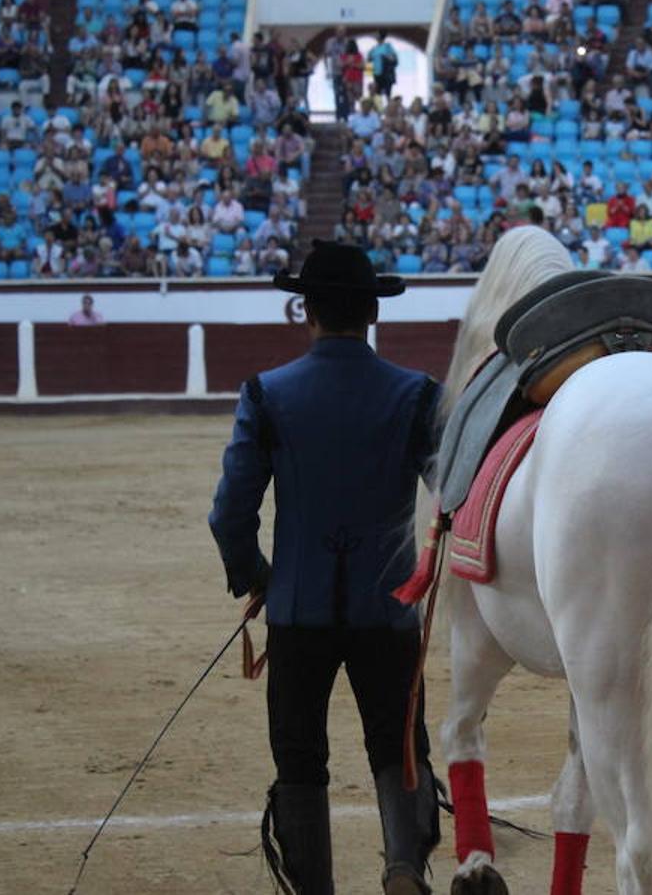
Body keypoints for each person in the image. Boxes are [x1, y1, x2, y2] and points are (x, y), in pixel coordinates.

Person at [209, 240, 441, 895]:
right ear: (372, 313)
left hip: (298, 609)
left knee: (300, 758)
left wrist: (256, 574)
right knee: (398, 747)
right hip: (388, 607)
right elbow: (457, 491)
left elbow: (230, 514)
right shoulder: (417, 396)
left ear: (303, 309)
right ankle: (403, 865)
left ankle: (314, 887)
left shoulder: (265, 394)